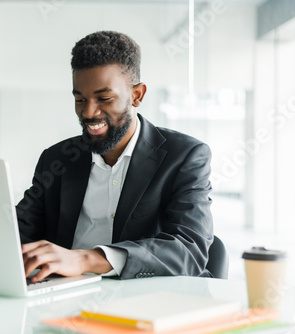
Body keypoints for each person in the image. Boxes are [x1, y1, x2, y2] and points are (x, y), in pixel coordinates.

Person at [17, 31, 214, 282]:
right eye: (80, 99)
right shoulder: (56, 158)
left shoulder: (185, 156)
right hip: (63, 296)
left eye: (104, 98)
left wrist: (85, 259)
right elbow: (19, 232)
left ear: (137, 95)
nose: (88, 112)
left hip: (145, 300)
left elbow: (188, 250)